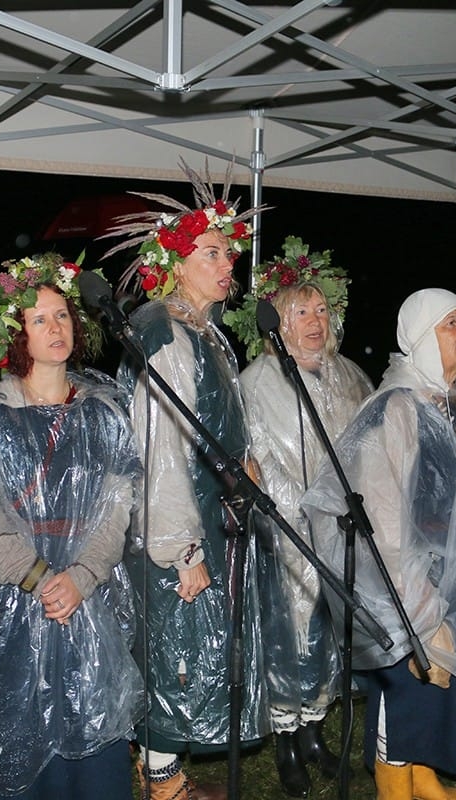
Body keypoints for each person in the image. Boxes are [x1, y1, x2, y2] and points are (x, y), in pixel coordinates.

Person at [303, 289, 456, 800]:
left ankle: (423, 775)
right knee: (408, 688)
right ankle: (394, 784)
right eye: (450, 324)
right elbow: (385, 525)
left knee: (445, 694)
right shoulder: (396, 409)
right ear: (419, 339)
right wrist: (418, 611)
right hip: (414, 587)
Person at [0, 253, 143, 800]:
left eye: (62, 316)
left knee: (89, 724)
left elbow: (117, 501)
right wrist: (36, 577)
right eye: (39, 319)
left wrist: (81, 576)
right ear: (15, 333)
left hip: (85, 592)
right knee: (18, 744)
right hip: (9, 600)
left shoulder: (104, 408)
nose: (55, 328)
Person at [105, 164, 271, 800]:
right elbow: (159, 448)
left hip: (211, 516)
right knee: (174, 651)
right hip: (178, 525)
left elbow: (218, 423)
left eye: (229, 250)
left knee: (192, 648)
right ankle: (162, 783)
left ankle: (165, 773)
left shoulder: (207, 333)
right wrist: (182, 548)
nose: (227, 261)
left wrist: (248, 457)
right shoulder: (166, 330)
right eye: (211, 251)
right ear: (175, 262)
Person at [230, 237, 373, 796]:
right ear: (276, 323)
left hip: (342, 527)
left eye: (320, 310)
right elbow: (261, 456)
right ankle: (286, 738)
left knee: (329, 633)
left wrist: (349, 508)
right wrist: (305, 515)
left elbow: (364, 444)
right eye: (299, 312)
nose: (314, 322)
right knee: (289, 634)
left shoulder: (346, 374)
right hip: (286, 530)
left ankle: (315, 727)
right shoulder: (257, 381)